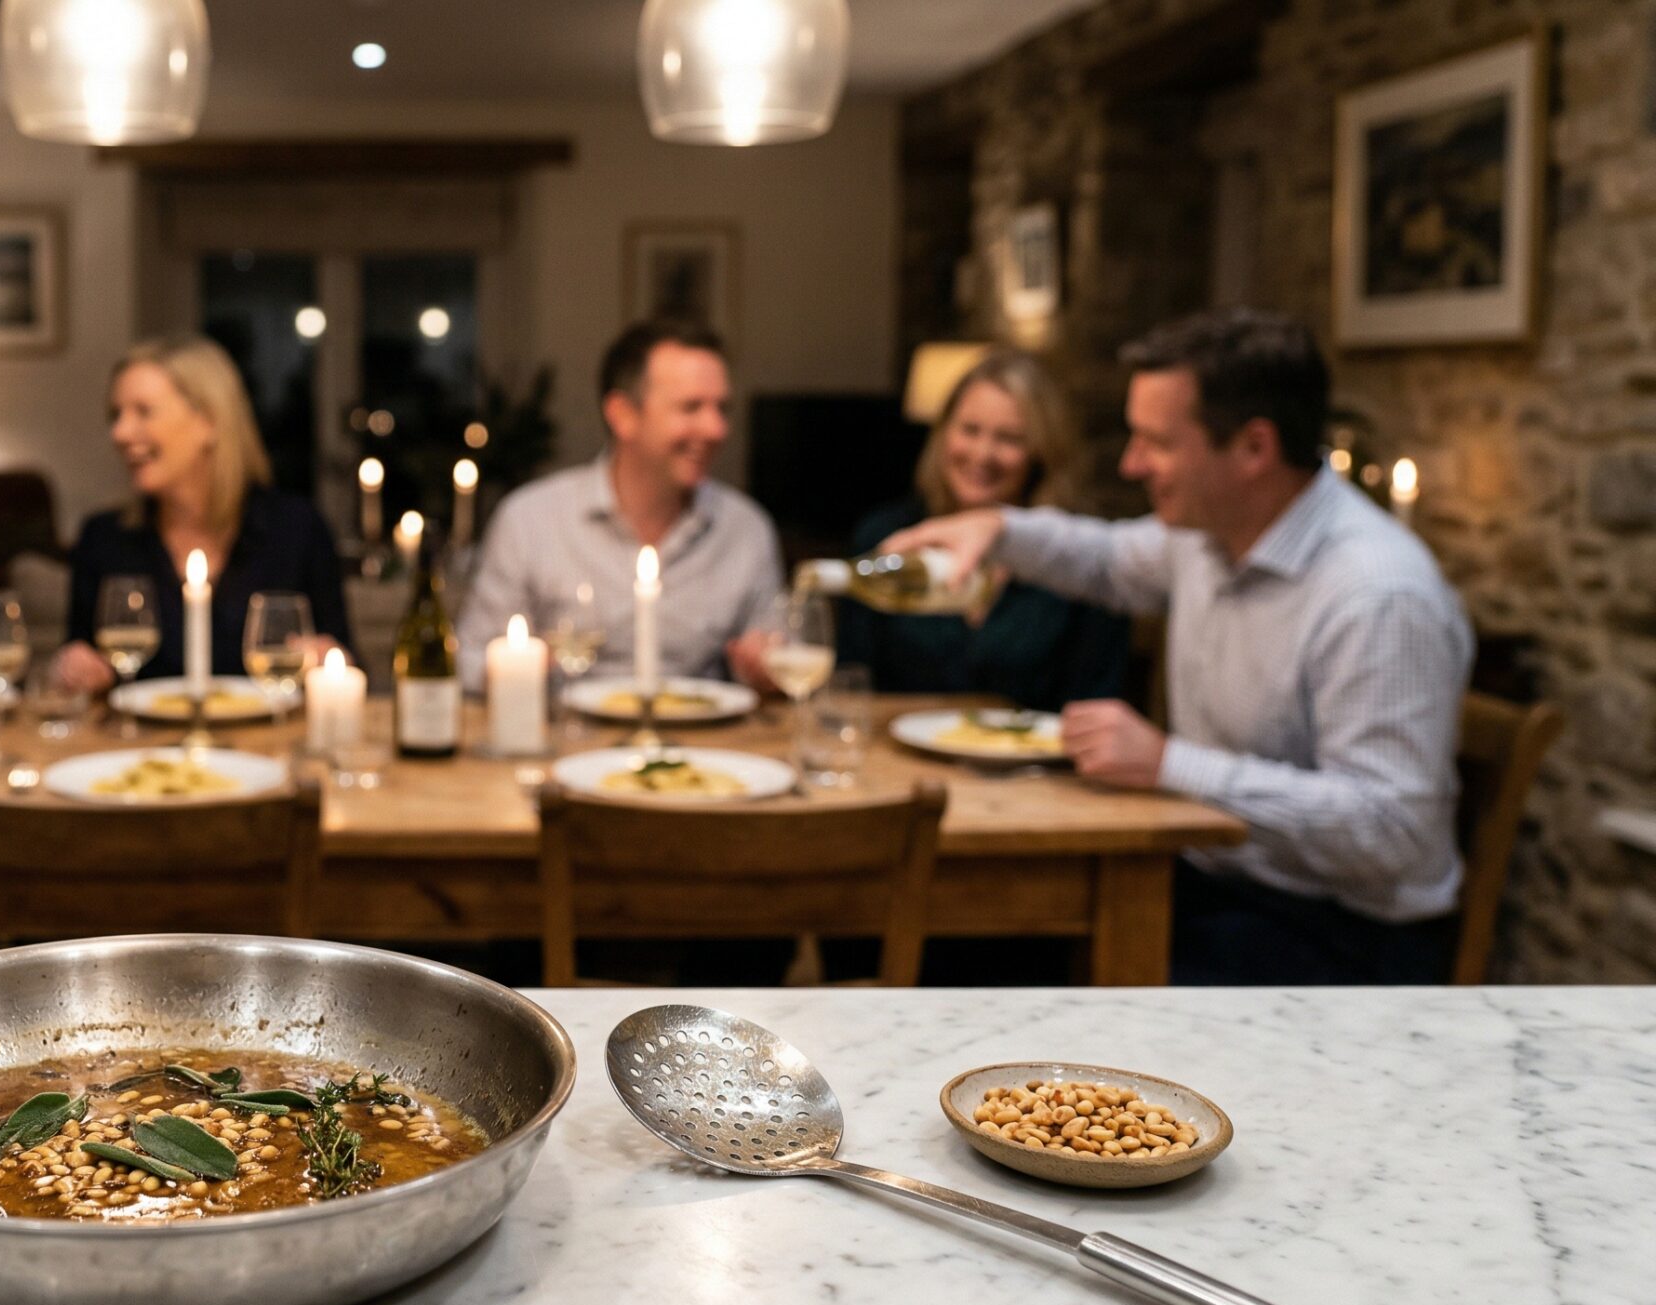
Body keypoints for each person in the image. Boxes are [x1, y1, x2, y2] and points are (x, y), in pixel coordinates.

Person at [884, 309, 1473, 984]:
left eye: (1157, 442)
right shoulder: (1209, 534)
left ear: (1253, 449)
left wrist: (1168, 762)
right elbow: (1103, 558)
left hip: (1341, 938)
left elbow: (1390, 829)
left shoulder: (1377, 592)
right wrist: (995, 528)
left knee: (1044, 992)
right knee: (1002, 957)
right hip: (1218, 883)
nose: (1133, 464)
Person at [456, 319, 783, 691]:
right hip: (565, 739)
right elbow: (468, 659)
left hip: (701, 743)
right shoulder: (529, 520)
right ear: (623, 415)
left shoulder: (746, 529)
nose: (716, 429)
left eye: (722, 408)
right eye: (691, 408)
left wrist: (765, 668)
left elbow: (781, 655)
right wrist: (518, 666)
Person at [838, 347, 1130, 712]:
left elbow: (1096, 702)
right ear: (944, 433)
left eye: (1009, 438)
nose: (982, 454)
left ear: (1041, 450)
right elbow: (849, 683)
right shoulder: (887, 536)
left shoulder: (1076, 557)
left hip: (1035, 764)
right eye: (969, 430)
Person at [52, 336, 352, 691]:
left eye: (143, 412)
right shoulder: (103, 539)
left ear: (208, 422)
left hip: (266, 742)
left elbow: (346, 662)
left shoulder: (297, 530)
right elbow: (79, 660)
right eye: (116, 415)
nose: (120, 432)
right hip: (144, 744)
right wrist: (74, 669)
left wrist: (328, 662)